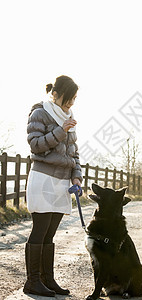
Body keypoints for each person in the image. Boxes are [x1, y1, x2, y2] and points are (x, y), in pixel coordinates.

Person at [23, 75, 82, 297]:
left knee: (50, 235)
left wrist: (77, 177)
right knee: (40, 230)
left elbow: (74, 153)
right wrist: (61, 131)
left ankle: (48, 280)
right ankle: (32, 282)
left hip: (62, 182)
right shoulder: (40, 112)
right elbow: (35, 145)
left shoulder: (69, 116)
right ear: (55, 94)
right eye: (68, 98)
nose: (71, 104)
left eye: (74, 99)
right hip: (43, 178)